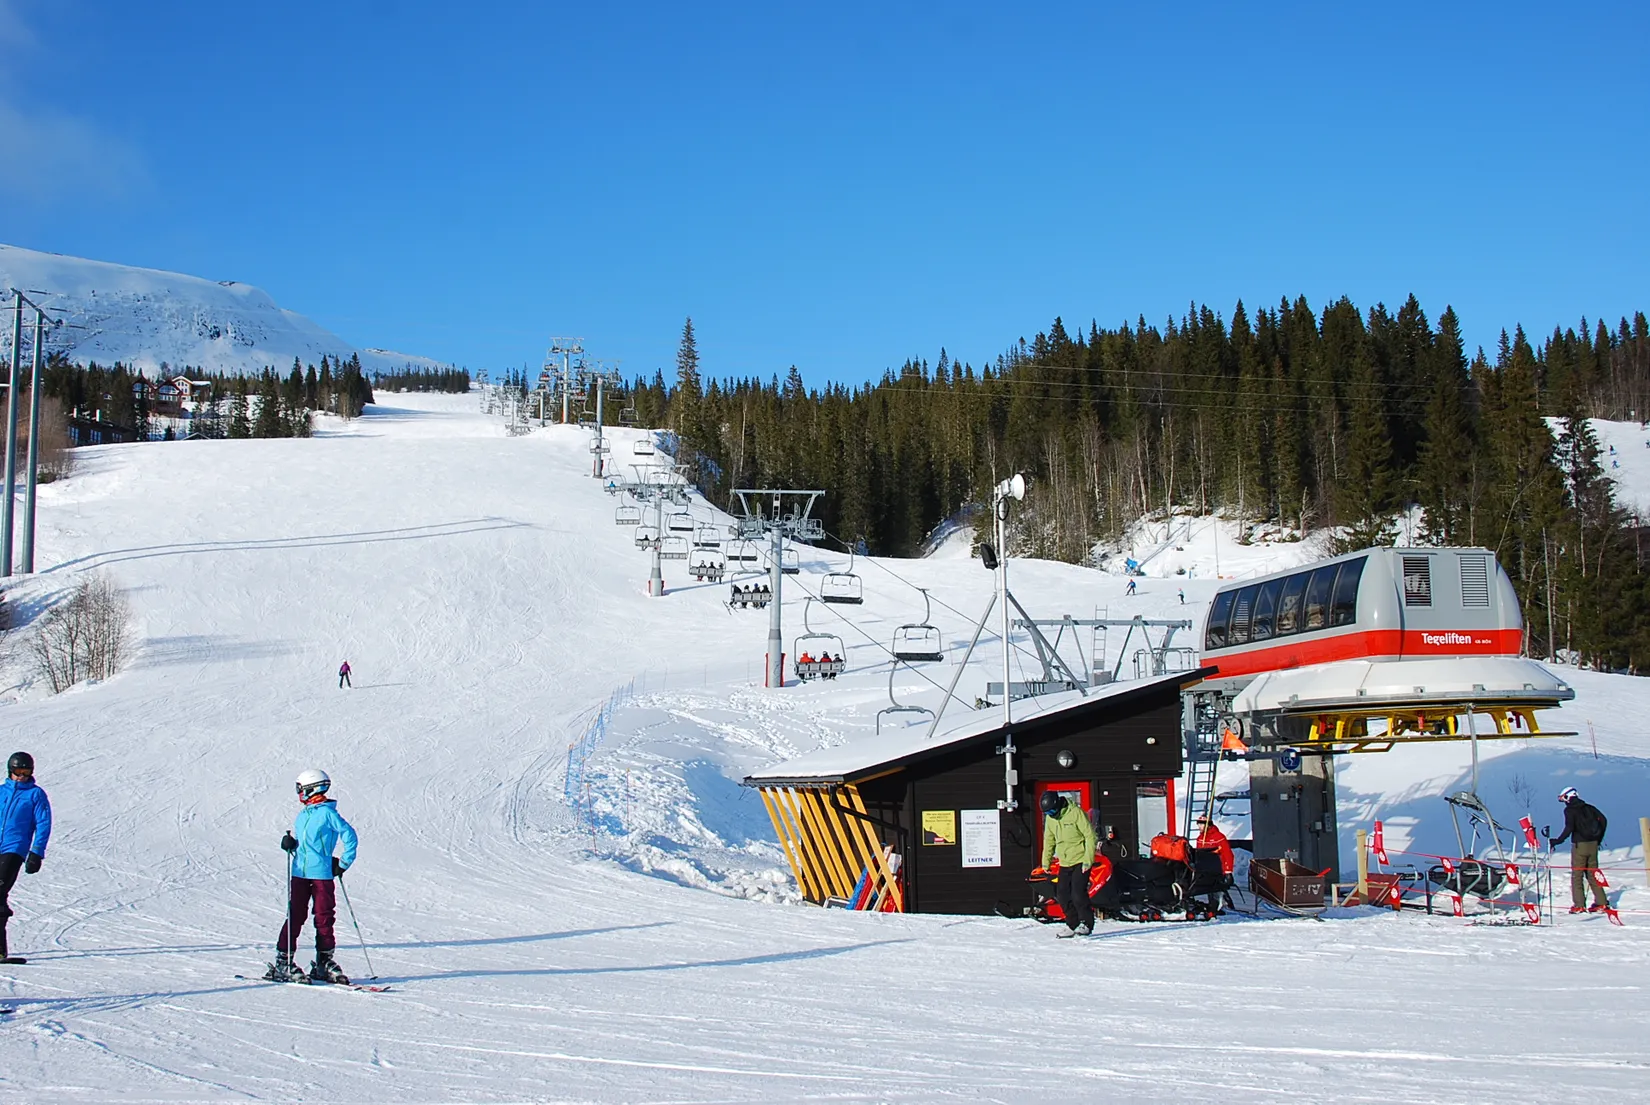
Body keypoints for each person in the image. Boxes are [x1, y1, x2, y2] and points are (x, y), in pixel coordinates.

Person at [266, 768, 359, 983]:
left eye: (300, 789)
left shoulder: (328, 813)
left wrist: (343, 864)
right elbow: (306, 845)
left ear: (311, 789)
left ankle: (324, 963)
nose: (298, 794)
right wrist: (290, 845)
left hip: (322, 875)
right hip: (299, 873)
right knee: (296, 916)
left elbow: (350, 837)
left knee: (324, 917)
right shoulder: (303, 815)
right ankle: (283, 962)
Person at [0, 752, 51, 965]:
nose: (21, 776)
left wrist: (36, 852)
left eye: (26, 772)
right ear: (10, 771)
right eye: (18, 772)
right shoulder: (1, 792)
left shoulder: (35, 795)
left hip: (14, 848)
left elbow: (44, 823)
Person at [1039, 791, 1098, 937]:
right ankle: (1073, 924)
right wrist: (1045, 862)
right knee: (1062, 894)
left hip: (1081, 860)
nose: (1051, 814)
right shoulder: (1052, 819)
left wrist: (1088, 860)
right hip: (1065, 862)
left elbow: (1090, 836)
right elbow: (1049, 840)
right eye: (1048, 813)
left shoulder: (1076, 813)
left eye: (1052, 811)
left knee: (1078, 893)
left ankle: (1086, 923)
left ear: (1058, 804)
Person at [1551, 786, 1609, 914]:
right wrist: (1598, 838)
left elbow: (1569, 827)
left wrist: (1558, 840)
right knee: (1593, 873)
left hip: (1579, 846)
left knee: (1577, 875)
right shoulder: (1589, 807)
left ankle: (1579, 905)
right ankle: (1602, 902)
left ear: (1567, 797)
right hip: (1593, 845)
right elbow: (1603, 820)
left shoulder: (1570, 810)